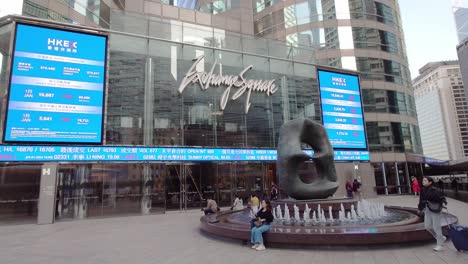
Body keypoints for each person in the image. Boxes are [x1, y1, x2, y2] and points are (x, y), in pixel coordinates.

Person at [418, 176, 447, 252]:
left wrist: (442, 202)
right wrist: (420, 208)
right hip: (427, 209)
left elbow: (440, 198)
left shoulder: (435, 190)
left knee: (436, 227)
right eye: (423, 180)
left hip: (435, 209)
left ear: (430, 182)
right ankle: (441, 238)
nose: (423, 181)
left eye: (425, 180)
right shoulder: (422, 189)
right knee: (427, 226)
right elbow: (421, 200)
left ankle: (440, 245)